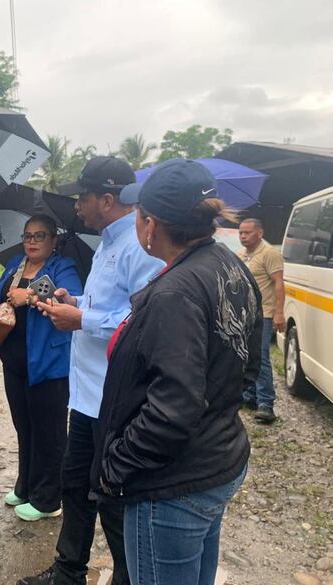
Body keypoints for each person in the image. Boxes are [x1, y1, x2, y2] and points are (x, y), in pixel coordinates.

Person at [92, 159, 261, 585]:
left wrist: (116, 466)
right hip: (217, 459)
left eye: (137, 214)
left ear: (150, 226)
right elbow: (248, 365)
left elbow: (172, 409)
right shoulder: (229, 265)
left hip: (171, 486)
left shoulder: (174, 293)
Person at [24, 156, 164, 585]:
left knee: (112, 496)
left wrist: (80, 320)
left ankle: (128, 576)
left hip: (114, 398)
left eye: (81, 197)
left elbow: (141, 321)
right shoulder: (105, 242)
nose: (76, 206)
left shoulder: (141, 249)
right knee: (75, 485)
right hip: (85, 394)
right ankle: (69, 572)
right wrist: (75, 302)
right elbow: (107, 305)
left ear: (106, 199)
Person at [0, 214, 82, 522]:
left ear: (53, 241)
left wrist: (31, 295)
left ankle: (49, 499)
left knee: (49, 432)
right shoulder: (15, 262)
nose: (32, 242)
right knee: (24, 427)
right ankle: (25, 486)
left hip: (48, 363)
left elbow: (72, 299)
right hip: (14, 361)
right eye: (27, 236)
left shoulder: (62, 267)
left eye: (40, 236)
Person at [238, 217, 285, 423]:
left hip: (263, 315)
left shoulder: (269, 254)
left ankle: (266, 403)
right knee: (245, 356)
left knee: (262, 357)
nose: (243, 236)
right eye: (240, 232)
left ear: (260, 233)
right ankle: (250, 396)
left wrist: (279, 312)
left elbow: (278, 283)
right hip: (244, 315)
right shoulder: (241, 256)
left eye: (247, 232)